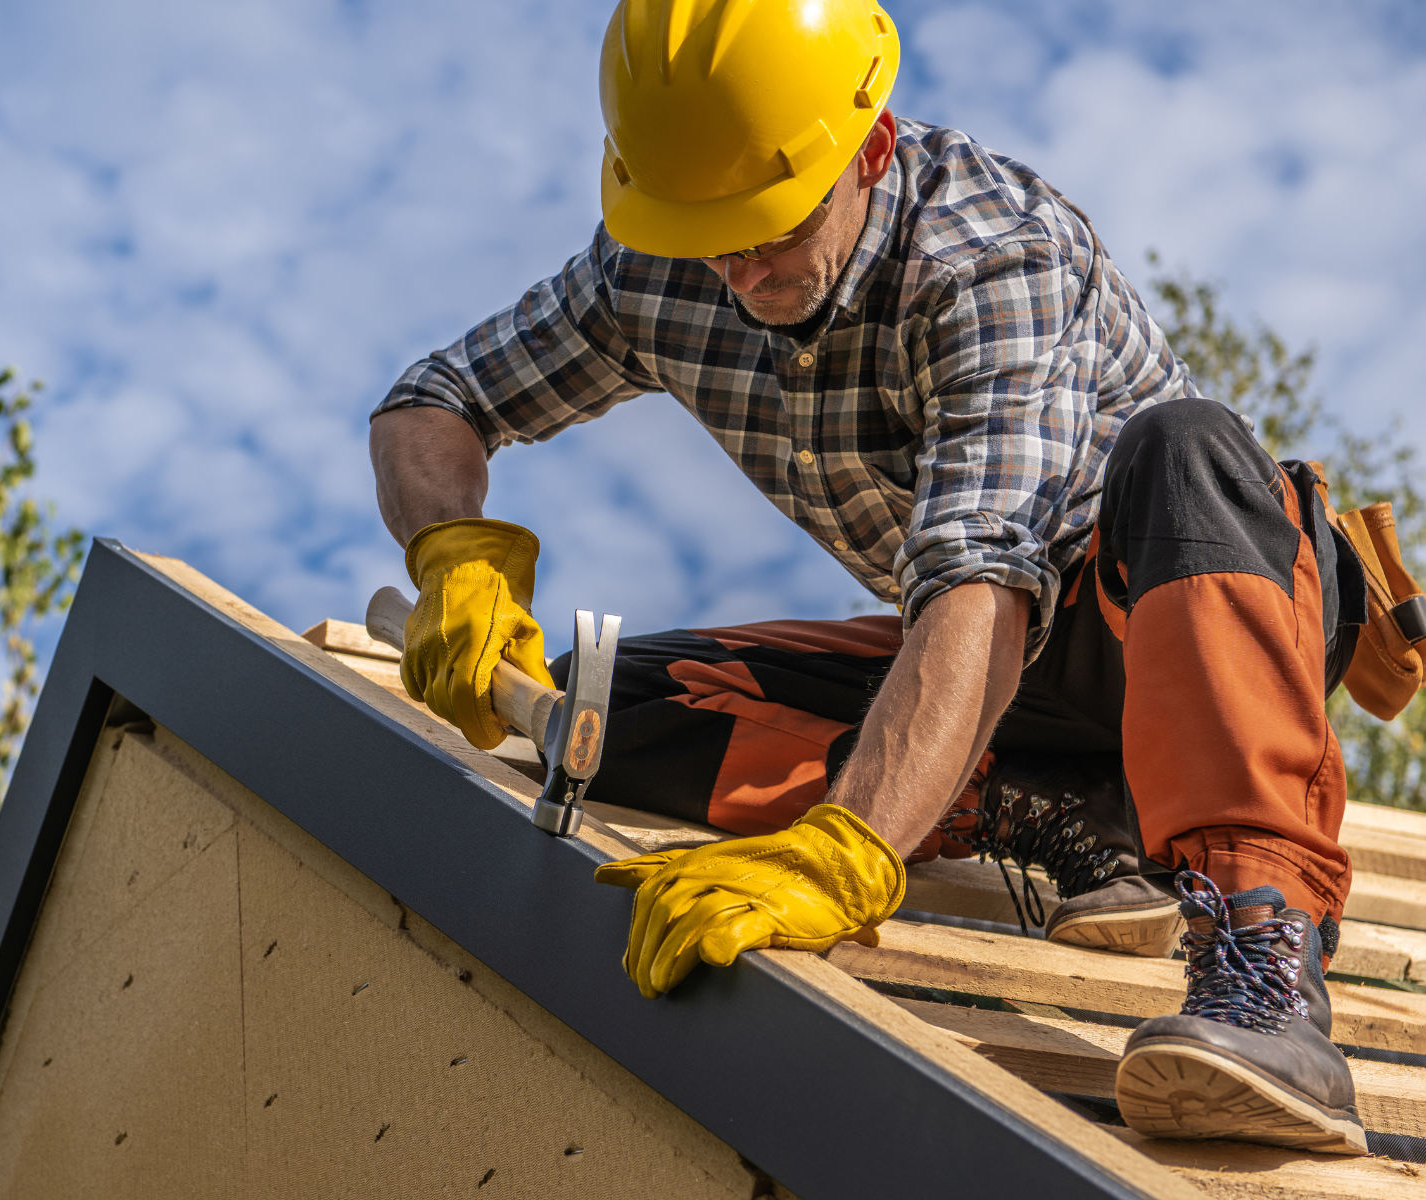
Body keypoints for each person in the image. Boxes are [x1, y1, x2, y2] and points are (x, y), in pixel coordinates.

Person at [368, 0, 1367, 1155]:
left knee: (1187, 444)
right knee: (597, 709)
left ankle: (1266, 966)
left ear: (871, 147)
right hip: (992, 663)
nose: (736, 268)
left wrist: (854, 844)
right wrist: (450, 551)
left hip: (1177, 617)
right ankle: (1052, 808)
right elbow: (434, 400)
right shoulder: (661, 259)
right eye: (706, 233)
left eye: (768, 227)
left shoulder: (989, 258)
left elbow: (979, 581)